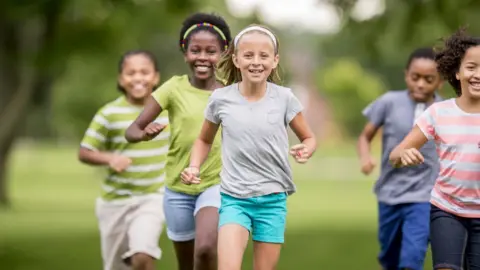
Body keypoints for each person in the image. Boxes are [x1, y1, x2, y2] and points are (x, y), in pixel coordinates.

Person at [180, 24, 317, 270]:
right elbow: (204, 139)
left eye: (263, 56)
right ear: (235, 59)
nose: (256, 62)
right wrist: (194, 166)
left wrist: (307, 148)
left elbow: (309, 137)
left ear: (275, 61)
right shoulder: (221, 99)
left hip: (272, 200)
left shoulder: (285, 98)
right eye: (248, 55)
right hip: (235, 199)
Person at [125, 13, 232, 270]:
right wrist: (143, 133)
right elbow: (132, 129)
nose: (203, 57)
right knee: (186, 264)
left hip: (217, 183)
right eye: (196, 50)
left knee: (206, 250)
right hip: (177, 188)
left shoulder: (232, 92)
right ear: (185, 53)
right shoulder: (173, 88)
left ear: (224, 53)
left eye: (211, 51)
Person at [389, 28, 480, 270]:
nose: (478, 74)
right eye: (472, 67)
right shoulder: (439, 113)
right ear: (457, 71)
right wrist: (403, 155)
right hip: (447, 208)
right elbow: (395, 155)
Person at [78, 50, 168, 270]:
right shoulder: (108, 113)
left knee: (143, 256)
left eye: (144, 72)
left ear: (155, 77)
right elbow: (85, 151)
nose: (138, 78)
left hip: (153, 198)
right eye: (131, 73)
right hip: (115, 203)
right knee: (117, 266)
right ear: (121, 79)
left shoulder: (167, 111)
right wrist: (109, 158)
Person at [357, 47, 444, 270]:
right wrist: (366, 158)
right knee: (390, 258)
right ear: (406, 75)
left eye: (429, 79)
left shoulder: (443, 110)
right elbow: (365, 136)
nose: (421, 84)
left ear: (440, 81)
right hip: (390, 193)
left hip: (425, 196)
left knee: (412, 258)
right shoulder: (389, 102)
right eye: (415, 77)